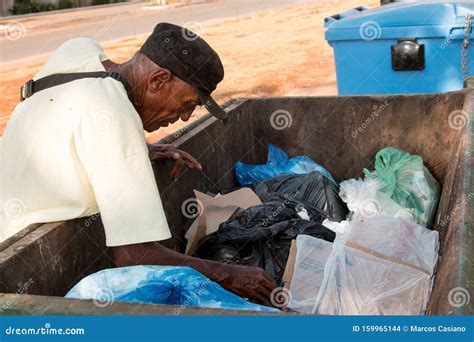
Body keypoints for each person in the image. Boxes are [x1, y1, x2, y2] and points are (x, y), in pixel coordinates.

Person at [0, 23, 276, 306]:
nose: (182, 119)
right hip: (23, 269)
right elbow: (133, 255)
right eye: (185, 105)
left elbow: (77, 121)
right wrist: (228, 274)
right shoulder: (115, 117)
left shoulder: (79, 50)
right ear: (158, 80)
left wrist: (138, 149)